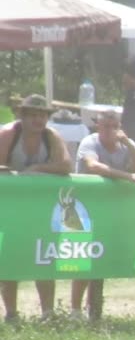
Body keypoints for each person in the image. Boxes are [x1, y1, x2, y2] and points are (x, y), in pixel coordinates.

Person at [70, 110, 135, 320]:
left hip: (114, 210)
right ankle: (75, 310)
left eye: (114, 126)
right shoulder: (89, 142)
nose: (109, 130)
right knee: (85, 257)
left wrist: (131, 145)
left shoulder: (126, 144)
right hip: (85, 209)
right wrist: (129, 176)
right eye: (105, 126)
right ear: (98, 126)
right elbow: (94, 166)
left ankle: (94, 310)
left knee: (101, 259)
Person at [0, 95, 72, 321]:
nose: (38, 120)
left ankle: (48, 313)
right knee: (10, 257)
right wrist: (17, 177)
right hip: (9, 206)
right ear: (22, 115)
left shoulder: (52, 137)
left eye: (42, 115)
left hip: (40, 208)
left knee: (45, 256)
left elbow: (65, 165)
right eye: (33, 115)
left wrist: (38, 167)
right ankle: (11, 313)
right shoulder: (8, 134)